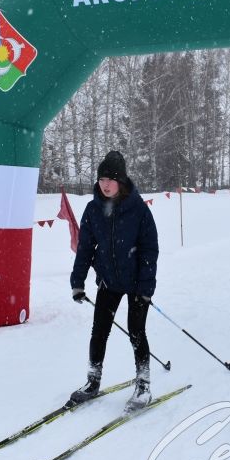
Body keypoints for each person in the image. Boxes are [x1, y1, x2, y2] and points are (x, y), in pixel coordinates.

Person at [70, 150, 159, 411]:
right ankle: (92, 380)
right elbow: (85, 248)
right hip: (108, 282)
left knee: (136, 332)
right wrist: (78, 282)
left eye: (110, 179)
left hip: (136, 284)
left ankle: (143, 385)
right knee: (99, 332)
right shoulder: (93, 209)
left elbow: (149, 250)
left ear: (120, 181)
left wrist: (145, 289)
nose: (104, 184)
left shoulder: (138, 210)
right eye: (101, 179)